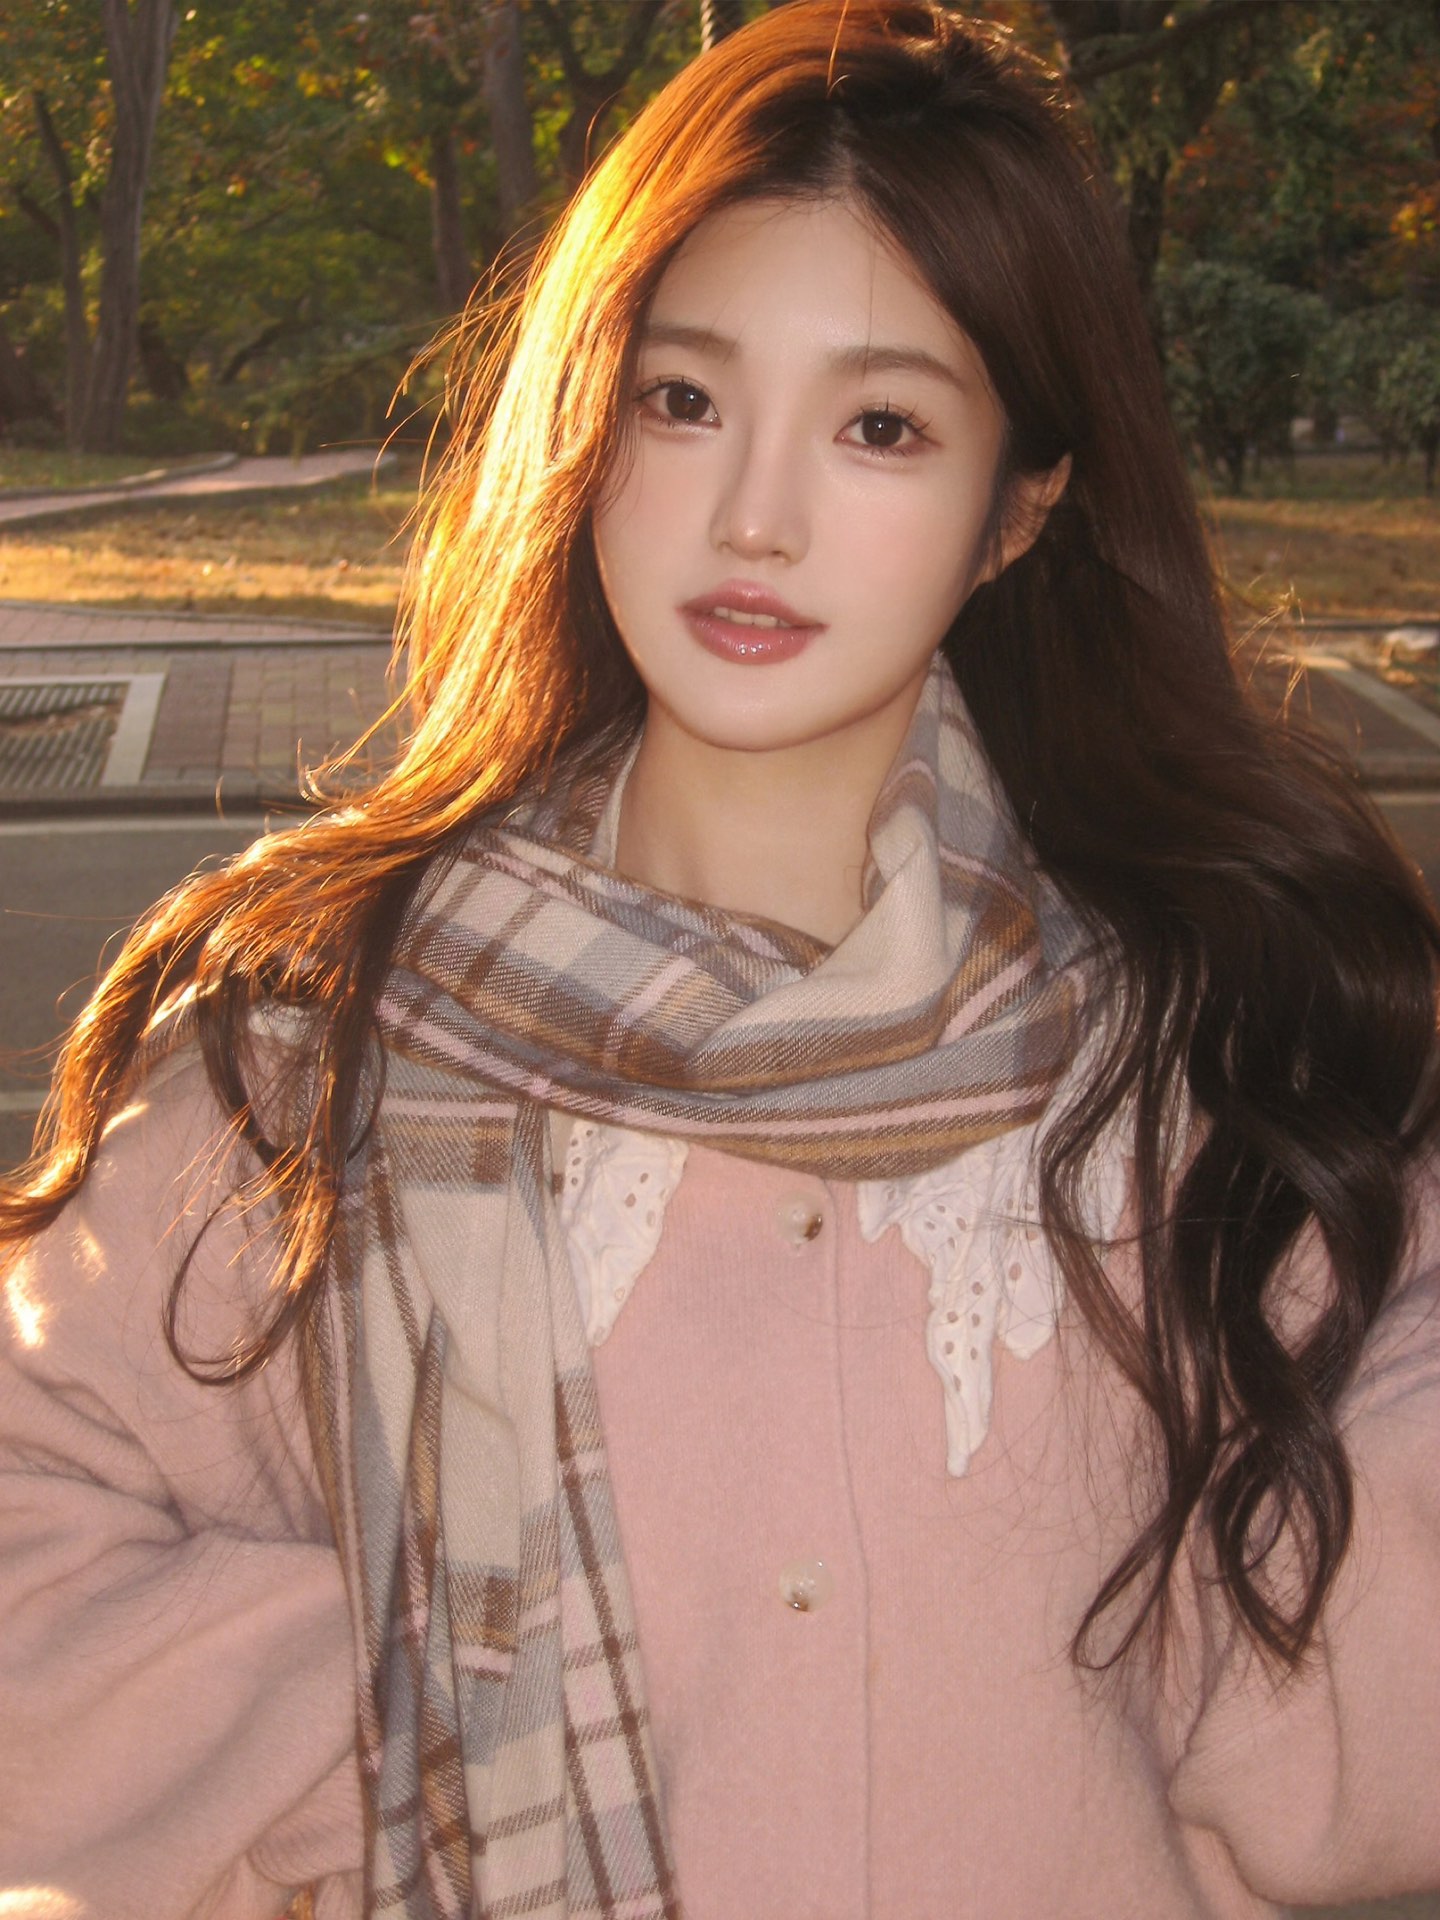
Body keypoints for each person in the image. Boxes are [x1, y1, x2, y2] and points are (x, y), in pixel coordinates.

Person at [2, 5, 1438, 1917]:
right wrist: (415, 1738)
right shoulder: (317, 1046)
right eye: (683, 399)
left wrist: (1196, 1701)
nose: (755, 513)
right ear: (588, 425)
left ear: (1018, 510)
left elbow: (1366, 1692)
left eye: (880, 427)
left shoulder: (1199, 1058)